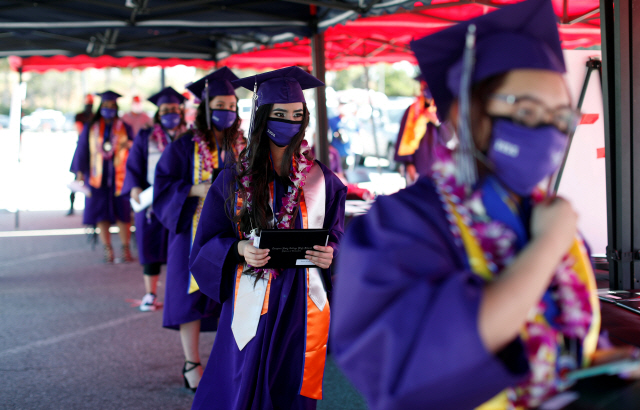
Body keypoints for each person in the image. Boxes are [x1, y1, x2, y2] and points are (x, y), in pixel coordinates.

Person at [330, 1, 640, 409]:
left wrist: (599, 362)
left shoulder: (546, 215)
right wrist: (547, 247)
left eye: (561, 117)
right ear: (464, 112)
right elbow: (417, 367)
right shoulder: (402, 223)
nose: (546, 129)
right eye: (526, 110)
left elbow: (566, 333)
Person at [188, 66, 347, 410]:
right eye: (278, 114)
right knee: (243, 378)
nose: (289, 122)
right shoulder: (233, 179)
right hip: (253, 294)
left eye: (296, 115)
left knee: (290, 380)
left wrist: (331, 252)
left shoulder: (322, 180)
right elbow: (207, 242)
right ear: (261, 116)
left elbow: (337, 233)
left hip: (300, 301)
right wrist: (240, 247)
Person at [153, 67, 241, 392]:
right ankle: (192, 362)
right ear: (205, 109)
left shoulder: (242, 144)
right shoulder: (183, 146)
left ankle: (227, 361)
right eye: (220, 105)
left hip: (233, 231)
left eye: (232, 106)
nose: (226, 112)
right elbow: (162, 184)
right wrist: (194, 189)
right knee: (188, 295)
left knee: (232, 295)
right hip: (191, 229)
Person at [122, 87, 187, 312]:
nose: (171, 113)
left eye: (174, 109)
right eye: (166, 110)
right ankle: (150, 294)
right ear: (159, 113)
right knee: (149, 246)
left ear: (181, 111)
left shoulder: (189, 136)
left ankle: (175, 293)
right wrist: (134, 187)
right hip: (151, 201)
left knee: (179, 248)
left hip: (180, 201)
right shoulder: (146, 135)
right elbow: (133, 165)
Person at [70, 91, 134, 263]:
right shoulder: (92, 126)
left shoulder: (124, 127)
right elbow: (82, 148)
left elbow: (135, 146)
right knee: (101, 214)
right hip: (97, 177)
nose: (109, 110)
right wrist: (80, 171)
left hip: (120, 177)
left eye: (112, 107)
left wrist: (128, 144)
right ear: (100, 107)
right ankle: (108, 249)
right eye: (106, 106)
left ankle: (125, 247)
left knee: (123, 213)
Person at [393, 76, 441, 185]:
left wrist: (436, 122)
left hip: (438, 163)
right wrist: (409, 164)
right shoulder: (413, 111)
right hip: (418, 163)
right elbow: (404, 139)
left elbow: (450, 138)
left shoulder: (440, 110)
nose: (425, 90)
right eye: (424, 86)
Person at [68, 93, 95, 216]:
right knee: (77, 177)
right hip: (82, 147)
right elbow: (79, 129)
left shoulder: (95, 116)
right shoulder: (79, 116)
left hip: (94, 150)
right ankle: (71, 207)